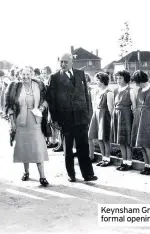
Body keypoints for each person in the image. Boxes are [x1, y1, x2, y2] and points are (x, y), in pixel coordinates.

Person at [47, 53, 97, 182]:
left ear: (71, 61)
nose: (63, 64)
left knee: (83, 147)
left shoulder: (80, 74)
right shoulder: (55, 77)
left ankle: (88, 174)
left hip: (81, 117)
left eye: (65, 62)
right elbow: (51, 100)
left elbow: (86, 95)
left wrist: (88, 113)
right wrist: (55, 120)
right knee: (68, 149)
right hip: (65, 118)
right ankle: (71, 174)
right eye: (61, 62)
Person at [5, 66, 49, 186]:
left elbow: (46, 99)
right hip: (21, 121)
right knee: (24, 148)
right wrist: (12, 121)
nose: (25, 77)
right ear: (20, 75)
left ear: (32, 74)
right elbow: (8, 105)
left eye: (28, 74)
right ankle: (26, 172)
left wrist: (42, 107)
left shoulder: (39, 85)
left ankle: (42, 176)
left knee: (38, 147)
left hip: (36, 120)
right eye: (23, 74)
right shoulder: (14, 87)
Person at [131, 70, 150, 175]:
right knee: (142, 144)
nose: (136, 84)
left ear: (141, 80)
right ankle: (146, 165)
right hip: (139, 118)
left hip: (148, 118)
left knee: (148, 144)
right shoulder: (139, 90)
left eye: (137, 81)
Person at [110, 70, 137, 171]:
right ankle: (124, 162)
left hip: (126, 116)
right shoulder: (115, 90)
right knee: (121, 141)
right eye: (117, 78)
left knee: (127, 141)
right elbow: (114, 105)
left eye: (120, 78)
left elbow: (134, 107)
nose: (118, 80)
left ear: (126, 79)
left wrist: (134, 121)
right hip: (117, 116)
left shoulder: (131, 90)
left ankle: (129, 163)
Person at [88, 72, 113, 167]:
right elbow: (95, 105)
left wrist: (111, 121)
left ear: (102, 80)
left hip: (104, 116)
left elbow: (110, 109)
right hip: (97, 115)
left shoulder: (109, 92)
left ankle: (108, 159)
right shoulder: (97, 92)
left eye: (97, 80)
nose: (96, 82)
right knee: (99, 138)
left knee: (105, 139)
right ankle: (103, 158)